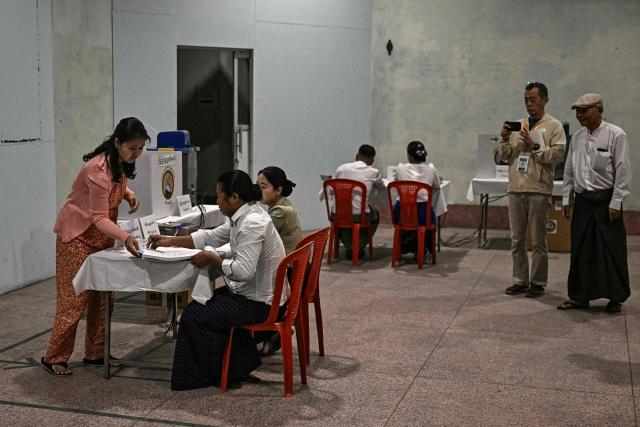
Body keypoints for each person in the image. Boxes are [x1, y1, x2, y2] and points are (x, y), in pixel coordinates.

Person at [148, 170, 287, 390]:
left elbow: (243, 272)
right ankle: (234, 367)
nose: (217, 201)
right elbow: (211, 236)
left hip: (262, 304)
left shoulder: (251, 222)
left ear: (234, 197)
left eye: (219, 195)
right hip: (259, 296)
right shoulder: (246, 214)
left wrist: (213, 260)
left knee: (193, 316)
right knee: (204, 304)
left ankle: (206, 376)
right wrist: (169, 241)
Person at [41, 117, 147, 376]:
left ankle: (96, 352)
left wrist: (128, 193)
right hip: (76, 237)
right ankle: (54, 356)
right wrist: (125, 236)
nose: (137, 153)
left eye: (141, 147)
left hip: (100, 237)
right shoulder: (96, 169)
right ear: (117, 143)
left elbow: (116, 186)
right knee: (73, 299)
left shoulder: (118, 162)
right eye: (132, 148)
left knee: (104, 295)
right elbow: (99, 217)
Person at [557, 93, 632, 313]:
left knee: (611, 248)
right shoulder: (578, 137)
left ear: (599, 109)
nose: (580, 115)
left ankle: (615, 297)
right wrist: (566, 198)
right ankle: (579, 296)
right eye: (577, 112)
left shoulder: (616, 135)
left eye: (584, 110)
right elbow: (569, 170)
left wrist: (616, 202)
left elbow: (623, 170)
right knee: (580, 249)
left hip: (605, 201)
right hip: (583, 201)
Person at [499, 82, 566, 298]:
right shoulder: (520, 124)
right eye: (526, 100)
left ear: (545, 99)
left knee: (538, 239)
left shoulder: (554, 126)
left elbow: (558, 156)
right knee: (516, 238)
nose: (529, 103)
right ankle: (519, 279)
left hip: (538, 188)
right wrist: (505, 138)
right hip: (516, 188)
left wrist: (534, 146)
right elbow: (505, 156)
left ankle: (537, 282)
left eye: (533, 99)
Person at [324, 144, 384, 259]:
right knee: (375, 214)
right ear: (372, 160)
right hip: (359, 215)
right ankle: (357, 247)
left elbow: (331, 189)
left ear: (357, 156)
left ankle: (349, 245)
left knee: (345, 219)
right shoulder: (373, 172)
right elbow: (381, 186)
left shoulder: (341, 168)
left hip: (336, 214)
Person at [391, 140, 440, 256]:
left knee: (404, 224)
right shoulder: (431, 169)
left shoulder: (400, 168)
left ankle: (405, 245)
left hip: (401, 212)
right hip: (423, 213)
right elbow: (437, 186)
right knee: (430, 222)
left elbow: (394, 183)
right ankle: (422, 250)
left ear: (409, 156)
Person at [257, 166, 302, 254]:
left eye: (263, 187)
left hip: (286, 265)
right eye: (257, 186)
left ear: (278, 190)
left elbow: (258, 236)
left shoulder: (280, 212)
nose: (258, 190)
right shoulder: (284, 202)